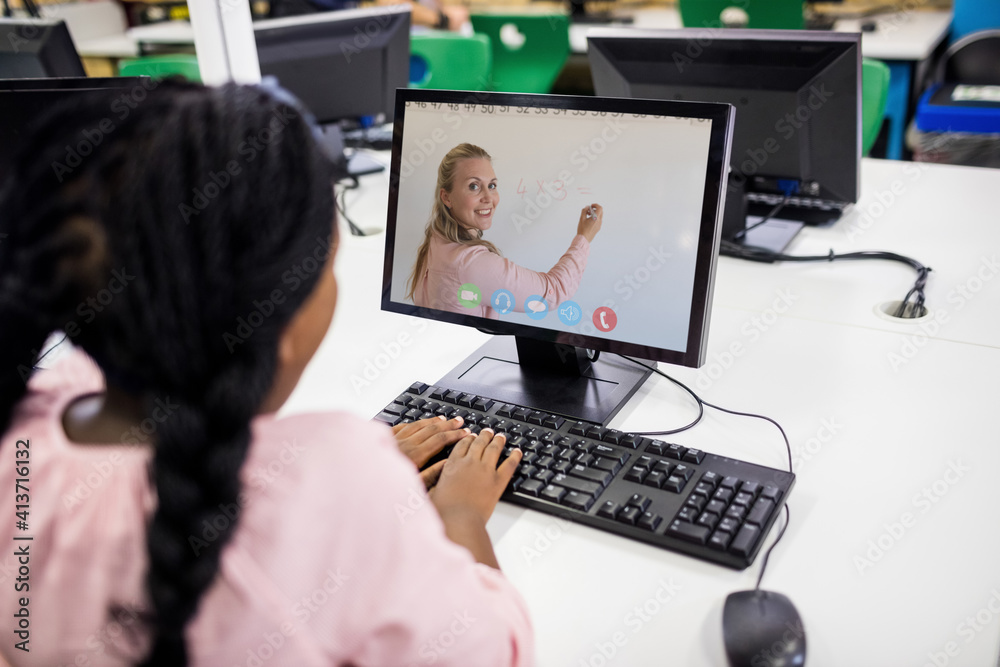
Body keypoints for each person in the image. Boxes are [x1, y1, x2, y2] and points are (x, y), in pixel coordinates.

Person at [0, 82, 530, 665]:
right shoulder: (344, 478)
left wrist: (323, 487)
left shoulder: (32, 422)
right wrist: (455, 512)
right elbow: (493, 652)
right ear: (274, 319)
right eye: (329, 266)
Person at [407, 143, 604, 318]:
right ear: (447, 197)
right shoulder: (471, 264)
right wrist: (584, 237)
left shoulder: (437, 238)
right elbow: (552, 291)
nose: (488, 197)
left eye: (492, 185)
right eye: (474, 186)